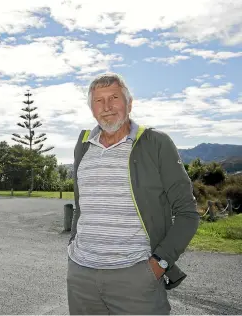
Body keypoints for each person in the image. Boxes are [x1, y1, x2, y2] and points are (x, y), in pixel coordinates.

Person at [67, 73, 200, 315]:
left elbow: (187, 213)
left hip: (136, 278)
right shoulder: (83, 144)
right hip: (81, 276)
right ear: (91, 108)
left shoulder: (155, 143)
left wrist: (159, 264)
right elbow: (81, 206)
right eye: (99, 101)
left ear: (129, 103)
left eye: (115, 97)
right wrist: (72, 247)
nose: (107, 107)